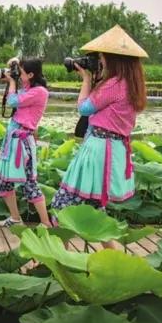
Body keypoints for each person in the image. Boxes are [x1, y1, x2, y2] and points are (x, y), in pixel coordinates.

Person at [49, 25, 148, 248]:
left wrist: (86, 79)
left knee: (61, 208)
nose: (99, 62)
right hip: (111, 151)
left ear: (114, 59)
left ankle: (59, 261)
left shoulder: (114, 84)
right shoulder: (131, 84)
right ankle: (115, 264)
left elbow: (84, 108)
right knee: (96, 213)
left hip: (97, 153)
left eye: (101, 58)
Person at [0, 57, 52, 228]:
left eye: (22, 72)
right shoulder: (28, 88)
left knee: (29, 184)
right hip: (11, 141)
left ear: (32, 74)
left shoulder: (40, 92)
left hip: (23, 143)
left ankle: (46, 223)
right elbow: (17, 90)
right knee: (0, 182)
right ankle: (15, 218)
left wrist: (11, 81)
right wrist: (14, 65)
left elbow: (13, 101)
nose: (19, 75)